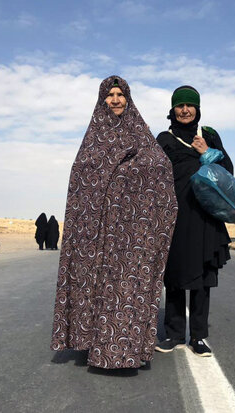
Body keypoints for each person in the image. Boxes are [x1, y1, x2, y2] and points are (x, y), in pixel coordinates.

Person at [51, 76, 177, 369]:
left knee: (124, 290)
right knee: (92, 285)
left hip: (131, 233)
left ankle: (122, 353)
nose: (116, 99)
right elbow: (81, 182)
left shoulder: (142, 138)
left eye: (121, 94)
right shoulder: (92, 140)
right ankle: (89, 343)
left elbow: (161, 169)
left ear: (129, 99)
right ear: (101, 100)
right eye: (110, 95)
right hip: (92, 233)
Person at [155, 85, 234, 357]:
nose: (185, 110)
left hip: (205, 218)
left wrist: (206, 153)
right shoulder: (163, 140)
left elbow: (228, 174)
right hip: (175, 217)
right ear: (172, 109)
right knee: (174, 275)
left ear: (198, 109)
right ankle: (174, 334)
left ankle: (198, 337)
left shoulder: (209, 136)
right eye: (180, 105)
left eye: (190, 105)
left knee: (202, 277)